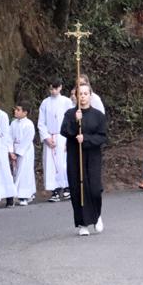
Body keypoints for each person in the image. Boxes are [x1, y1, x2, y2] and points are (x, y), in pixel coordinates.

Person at [60, 84, 108, 236]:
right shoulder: (70, 114)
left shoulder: (98, 115)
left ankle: (96, 215)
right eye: (80, 94)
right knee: (77, 188)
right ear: (75, 96)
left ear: (90, 95)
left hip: (92, 156)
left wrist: (86, 138)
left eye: (85, 94)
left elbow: (102, 136)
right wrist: (75, 121)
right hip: (75, 155)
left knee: (94, 188)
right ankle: (82, 223)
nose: (82, 96)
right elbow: (64, 130)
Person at [38, 81, 73, 202]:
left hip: (63, 135)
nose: (53, 91)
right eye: (51, 89)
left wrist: (69, 137)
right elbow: (41, 122)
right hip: (50, 135)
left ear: (60, 88)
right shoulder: (45, 103)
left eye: (55, 88)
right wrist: (46, 137)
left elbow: (71, 119)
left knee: (63, 163)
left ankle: (67, 187)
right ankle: (55, 190)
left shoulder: (66, 102)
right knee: (50, 165)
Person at [9, 103, 37, 205]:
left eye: (18, 110)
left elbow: (27, 139)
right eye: (15, 109)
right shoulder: (13, 123)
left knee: (25, 171)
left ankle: (24, 195)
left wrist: (18, 152)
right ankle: (18, 193)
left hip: (26, 150)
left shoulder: (29, 124)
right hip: (15, 148)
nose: (15, 111)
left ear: (25, 112)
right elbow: (9, 137)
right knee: (16, 171)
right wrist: (11, 151)